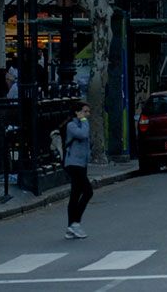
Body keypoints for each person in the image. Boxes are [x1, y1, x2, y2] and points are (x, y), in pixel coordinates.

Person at [64, 101, 94, 239]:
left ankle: (71, 227)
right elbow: (82, 135)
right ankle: (76, 223)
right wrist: (83, 121)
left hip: (81, 163)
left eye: (88, 112)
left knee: (75, 194)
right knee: (88, 191)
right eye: (85, 111)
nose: (87, 114)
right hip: (73, 163)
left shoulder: (82, 124)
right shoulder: (72, 125)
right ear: (77, 112)